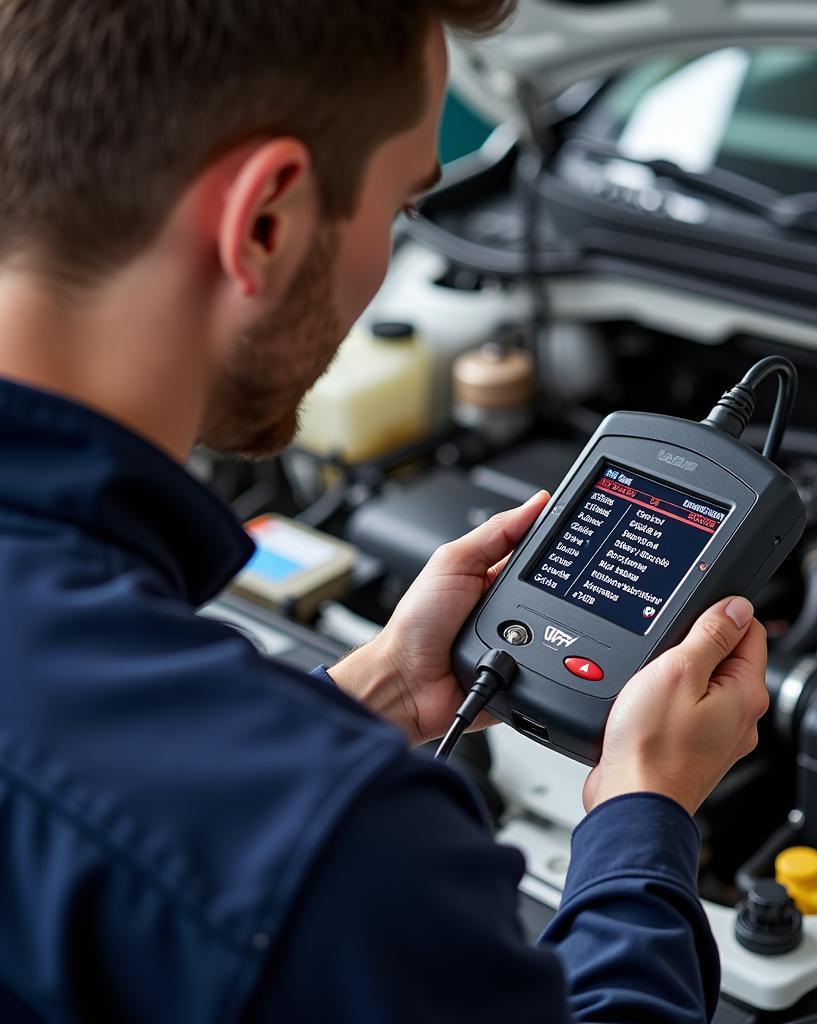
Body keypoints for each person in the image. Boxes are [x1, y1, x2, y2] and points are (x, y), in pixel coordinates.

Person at [0, 3, 770, 1021]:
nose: (386, 260)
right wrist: (644, 808)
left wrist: (375, 694)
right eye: (401, 207)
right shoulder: (344, 849)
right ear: (266, 220)